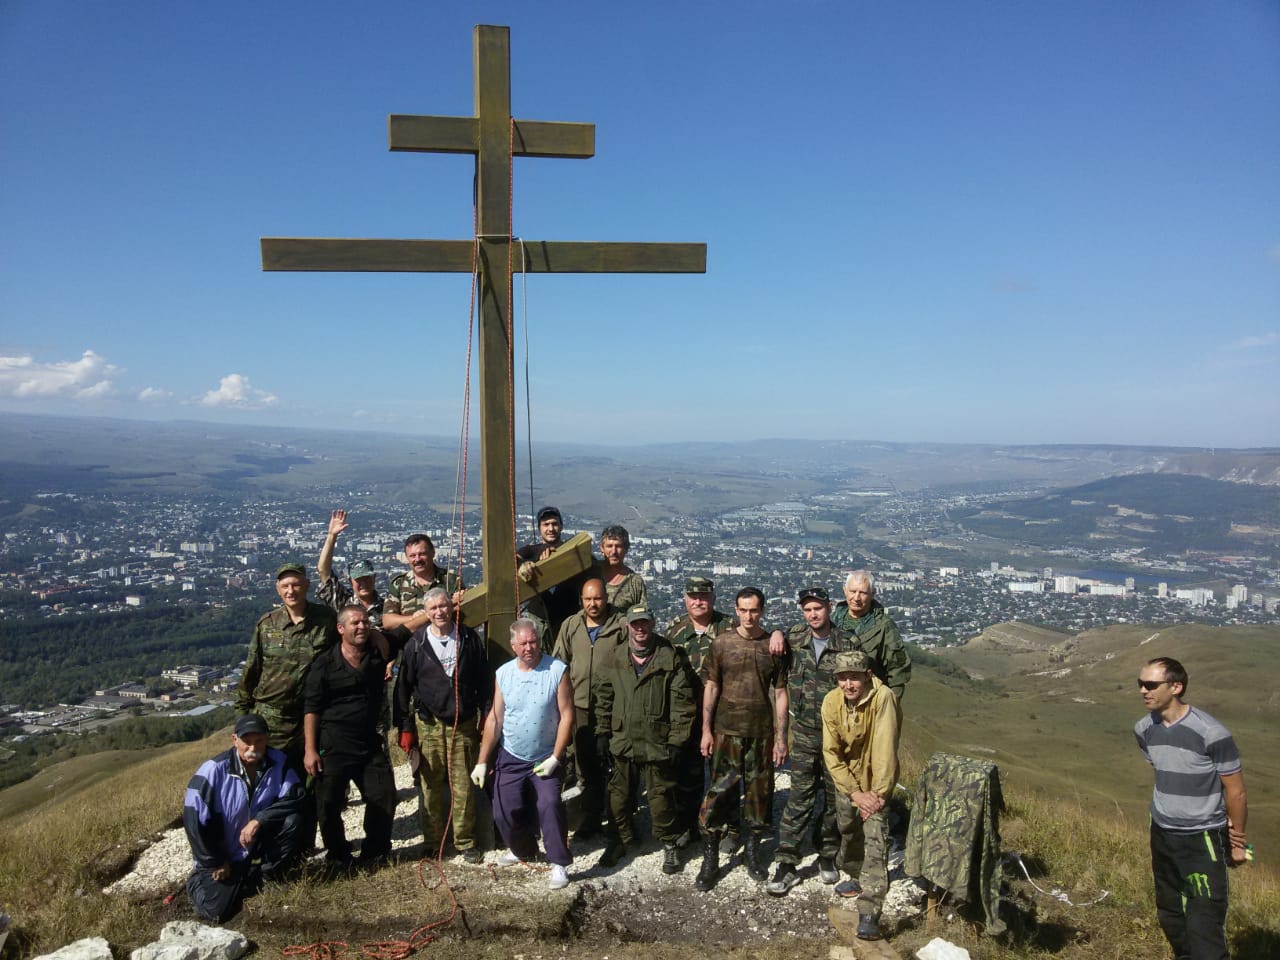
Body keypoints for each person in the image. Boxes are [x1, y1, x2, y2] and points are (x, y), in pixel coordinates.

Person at [1135, 656, 1248, 960]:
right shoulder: (1144, 728)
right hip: (1162, 833)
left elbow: (1235, 791)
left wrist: (1237, 842)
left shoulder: (1211, 733)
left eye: (1151, 684)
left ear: (1176, 686)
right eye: (1140, 684)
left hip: (1202, 839)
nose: (1143, 690)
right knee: (1170, 913)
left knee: (1204, 922)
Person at [695, 587, 789, 890]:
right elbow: (711, 686)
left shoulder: (773, 647)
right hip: (726, 732)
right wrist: (706, 730)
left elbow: (780, 692)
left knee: (760, 796)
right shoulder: (721, 644)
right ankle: (711, 858)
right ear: (736, 610)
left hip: (761, 734)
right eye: (743, 610)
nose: (749, 616)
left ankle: (752, 851)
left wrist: (781, 738)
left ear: (762, 611)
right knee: (719, 794)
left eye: (754, 610)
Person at [593, 605, 697, 874]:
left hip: (656, 740)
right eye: (635, 623)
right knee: (618, 797)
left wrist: (676, 740)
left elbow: (682, 703)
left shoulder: (668, 657)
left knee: (661, 798)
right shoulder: (615, 657)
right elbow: (604, 697)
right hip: (623, 739)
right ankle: (621, 840)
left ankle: (670, 843)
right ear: (628, 625)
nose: (640, 629)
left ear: (652, 624)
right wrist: (602, 732)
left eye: (645, 623)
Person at [472, 618, 575, 890]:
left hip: (545, 753)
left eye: (533, 641)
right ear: (513, 645)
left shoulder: (556, 670)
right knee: (504, 810)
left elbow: (567, 715)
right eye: (523, 643)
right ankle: (523, 849)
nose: (529, 647)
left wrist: (556, 756)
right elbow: (495, 719)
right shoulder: (503, 674)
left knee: (549, 804)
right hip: (512, 753)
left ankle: (559, 863)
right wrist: (483, 761)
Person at [393, 587, 493, 863]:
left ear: (452, 607)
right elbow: (402, 689)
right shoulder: (416, 644)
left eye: (443, 606)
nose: (439, 612)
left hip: (463, 723)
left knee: (463, 785)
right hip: (429, 725)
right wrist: (405, 727)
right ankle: (433, 842)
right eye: (433, 608)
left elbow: (484, 678)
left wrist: (486, 712)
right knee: (430, 787)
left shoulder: (468, 638)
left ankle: (465, 842)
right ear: (425, 613)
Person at [768, 586, 855, 895]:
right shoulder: (794, 638)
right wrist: (776, 631)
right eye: (807, 609)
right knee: (799, 797)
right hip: (804, 733)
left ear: (829, 608)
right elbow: (773, 648)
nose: (813, 614)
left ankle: (827, 854)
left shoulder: (846, 642)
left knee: (835, 798)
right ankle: (787, 861)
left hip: (838, 738)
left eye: (817, 608)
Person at [183, 713, 305, 922]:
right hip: (222, 854)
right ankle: (196, 882)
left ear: (267, 738)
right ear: (234, 740)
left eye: (258, 741)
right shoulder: (213, 771)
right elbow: (193, 821)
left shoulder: (279, 762)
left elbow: (296, 796)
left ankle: (263, 874)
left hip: (255, 845)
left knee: (292, 820)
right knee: (217, 912)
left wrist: (259, 820)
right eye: (246, 741)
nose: (253, 747)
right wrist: (216, 861)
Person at [303, 605, 396, 868]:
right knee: (329, 803)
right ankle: (338, 853)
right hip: (334, 743)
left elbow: (407, 629)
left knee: (383, 794)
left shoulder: (378, 653)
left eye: (365, 622)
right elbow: (311, 708)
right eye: (355, 623)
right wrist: (310, 750)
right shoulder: (324, 664)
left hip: (368, 742)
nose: (361, 626)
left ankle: (375, 851)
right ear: (340, 629)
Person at [822, 649, 902, 942]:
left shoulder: (884, 699)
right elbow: (830, 752)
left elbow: (885, 749)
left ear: (867, 676)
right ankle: (855, 875)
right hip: (849, 781)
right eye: (842, 678)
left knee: (875, 838)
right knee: (848, 828)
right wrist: (855, 792)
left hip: (876, 781)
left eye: (854, 677)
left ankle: (870, 909)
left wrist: (877, 796)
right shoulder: (831, 701)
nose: (848, 684)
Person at [235, 562, 339, 774]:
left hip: (310, 719)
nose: (290, 591)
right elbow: (251, 671)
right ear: (277, 589)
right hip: (271, 719)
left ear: (307, 585)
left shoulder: (326, 620)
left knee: (310, 780)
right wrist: (242, 718)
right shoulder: (267, 624)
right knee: (269, 780)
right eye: (285, 586)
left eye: (296, 585)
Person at [551, 577, 628, 839]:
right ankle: (586, 819)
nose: (593, 604)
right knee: (583, 764)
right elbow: (559, 664)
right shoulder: (571, 625)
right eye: (587, 599)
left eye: (597, 598)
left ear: (606, 598)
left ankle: (619, 821)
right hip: (580, 706)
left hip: (615, 707)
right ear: (581, 600)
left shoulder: (621, 625)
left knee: (614, 763)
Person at [665, 576, 735, 842]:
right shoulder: (674, 629)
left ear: (713, 599)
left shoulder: (729, 626)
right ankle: (688, 825)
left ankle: (724, 825)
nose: (698, 601)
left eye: (704, 597)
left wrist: (776, 633)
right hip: (686, 714)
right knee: (687, 774)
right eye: (693, 597)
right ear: (685, 599)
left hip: (723, 714)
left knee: (724, 773)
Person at [830, 571, 911, 701]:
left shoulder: (884, 627)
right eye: (852, 591)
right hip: (835, 702)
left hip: (869, 702)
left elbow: (898, 671)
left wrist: (889, 706)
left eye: (863, 593)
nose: (856, 597)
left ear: (873, 594)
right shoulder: (831, 621)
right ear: (844, 590)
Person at [516, 506, 586, 636]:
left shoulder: (572, 552)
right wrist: (523, 565)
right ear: (539, 528)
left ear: (561, 526)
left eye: (554, 524)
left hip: (569, 622)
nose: (550, 529)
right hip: (540, 625)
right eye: (546, 524)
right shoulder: (529, 551)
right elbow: (512, 561)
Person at [382, 533, 463, 643]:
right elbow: (387, 621)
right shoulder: (399, 584)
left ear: (432, 553)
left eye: (422, 554)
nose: (417, 559)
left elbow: (462, 609)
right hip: (411, 649)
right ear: (407, 558)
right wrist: (414, 618)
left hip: (446, 643)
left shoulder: (451, 580)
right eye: (412, 556)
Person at [316, 509, 385, 629]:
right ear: (350, 581)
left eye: (367, 578)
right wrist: (332, 536)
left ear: (374, 578)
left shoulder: (388, 606)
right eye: (359, 579)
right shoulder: (343, 603)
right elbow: (323, 571)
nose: (363, 583)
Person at [596, 524, 647, 612]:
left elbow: (641, 616)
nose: (614, 551)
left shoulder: (635, 582)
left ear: (626, 548)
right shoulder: (591, 573)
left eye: (618, 546)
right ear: (602, 548)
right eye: (609, 546)